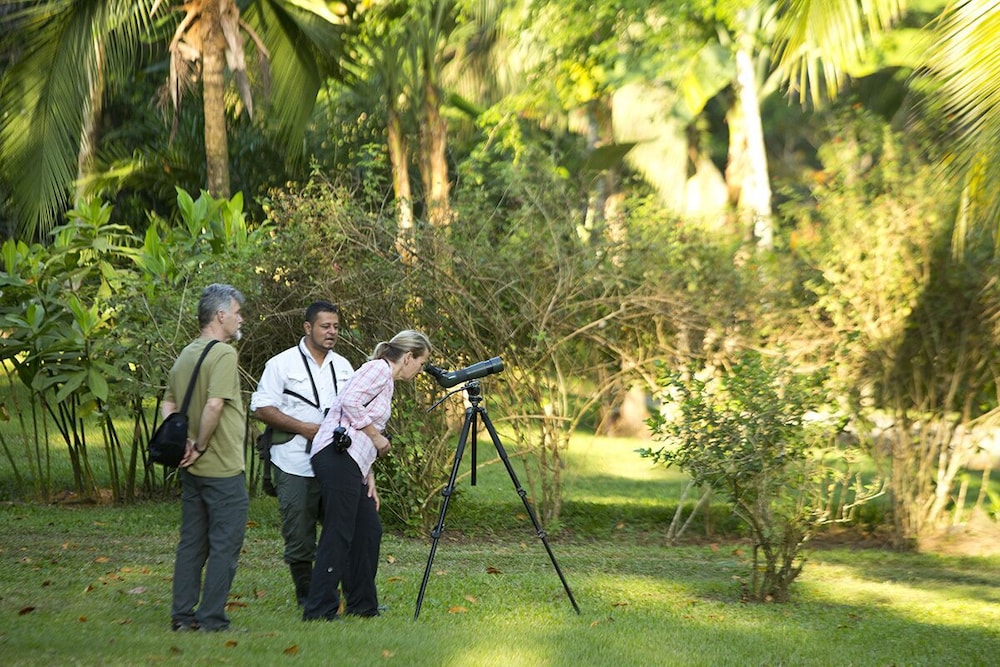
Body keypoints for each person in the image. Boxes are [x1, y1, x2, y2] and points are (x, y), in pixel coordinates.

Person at [302, 329, 432, 621]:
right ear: (408, 357)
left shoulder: (386, 381)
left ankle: (363, 604)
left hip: (352, 463)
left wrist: (367, 474)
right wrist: (377, 438)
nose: (420, 370)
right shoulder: (378, 369)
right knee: (339, 531)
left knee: (368, 529)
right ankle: (319, 609)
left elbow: (355, 421)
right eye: (421, 363)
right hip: (335, 457)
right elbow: (350, 402)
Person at [250, 301, 355, 606]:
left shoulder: (344, 366)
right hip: (294, 460)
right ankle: (306, 595)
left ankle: (347, 595)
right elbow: (261, 408)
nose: (332, 332)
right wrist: (304, 427)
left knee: (341, 530)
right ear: (308, 328)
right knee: (299, 533)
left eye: (335, 326)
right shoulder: (281, 364)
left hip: (335, 462)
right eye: (325, 326)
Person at [165, 283, 249, 633]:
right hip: (223, 468)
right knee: (224, 546)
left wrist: (180, 443)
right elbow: (215, 404)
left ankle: (182, 616)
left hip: (192, 470)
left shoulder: (186, 353)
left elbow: (168, 402)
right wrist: (199, 444)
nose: (240, 318)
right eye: (237, 312)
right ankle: (212, 619)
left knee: (191, 544)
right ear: (220, 315)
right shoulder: (225, 354)